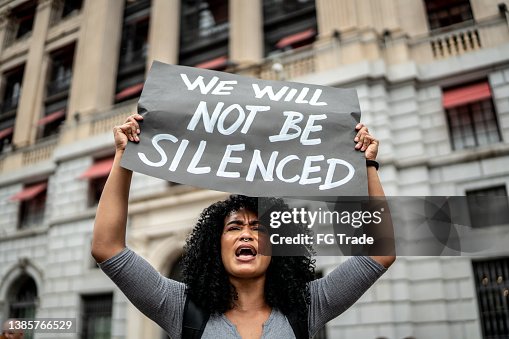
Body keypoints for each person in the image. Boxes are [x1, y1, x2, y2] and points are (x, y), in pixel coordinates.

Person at [91, 113, 395, 339]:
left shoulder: (308, 305)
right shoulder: (178, 306)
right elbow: (108, 249)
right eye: (234, 227)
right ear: (215, 244)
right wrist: (122, 157)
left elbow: (381, 253)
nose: (247, 233)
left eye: (259, 228)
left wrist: (367, 166)